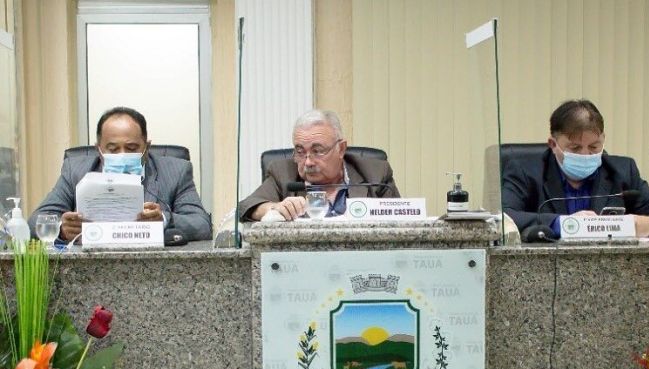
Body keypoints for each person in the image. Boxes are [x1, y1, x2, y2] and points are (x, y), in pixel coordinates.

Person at [29, 106, 212, 243]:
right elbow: (35, 222)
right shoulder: (75, 171)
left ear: (147, 147)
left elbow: (202, 225)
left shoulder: (176, 171)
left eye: (131, 148)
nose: (122, 154)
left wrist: (163, 219)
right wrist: (62, 228)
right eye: (113, 149)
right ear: (99, 149)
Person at [502, 99, 649, 239]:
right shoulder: (525, 171)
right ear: (553, 144)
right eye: (575, 148)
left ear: (603, 140)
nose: (585, 154)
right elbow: (503, 217)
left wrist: (648, 224)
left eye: (594, 147)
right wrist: (563, 223)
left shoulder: (623, 170)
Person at [238, 109, 401, 221]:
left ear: (341, 149)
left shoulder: (376, 174)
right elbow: (246, 207)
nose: (308, 162)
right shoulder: (283, 172)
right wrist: (274, 209)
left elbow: (401, 224)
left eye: (317, 151)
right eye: (300, 151)